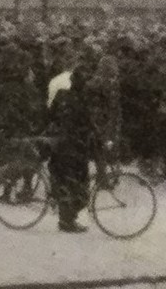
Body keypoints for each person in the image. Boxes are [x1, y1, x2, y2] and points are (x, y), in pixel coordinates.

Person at [47, 67, 94, 233]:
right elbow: (90, 125)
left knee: (63, 182)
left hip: (59, 145)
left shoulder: (61, 95)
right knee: (79, 186)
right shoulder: (84, 101)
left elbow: (50, 114)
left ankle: (65, 218)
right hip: (76, 148)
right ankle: (68, 220)